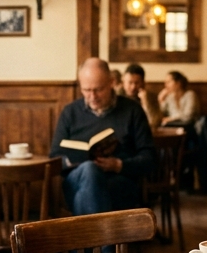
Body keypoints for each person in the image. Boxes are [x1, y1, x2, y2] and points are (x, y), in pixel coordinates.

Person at [50, 58, 156, 219]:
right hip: (76, 179)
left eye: (98, 90)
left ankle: (87, 243)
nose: (92, 96)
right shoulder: (70, 112)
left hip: (119, 181)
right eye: (86, 90)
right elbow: (54, 157)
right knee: (89, 170)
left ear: (112, 82)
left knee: (85, 195)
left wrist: (119, 165)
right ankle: (107, 244)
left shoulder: (132, 111)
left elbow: (150, 159)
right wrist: (76, 161)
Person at [119, 63, 161, 130]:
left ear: (143, 83)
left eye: (136, 83)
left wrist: (145, 102)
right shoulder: (117, 96)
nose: (133, 87)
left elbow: (155, 123)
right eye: (130, 82)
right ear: (124, 82)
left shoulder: (150, 97)